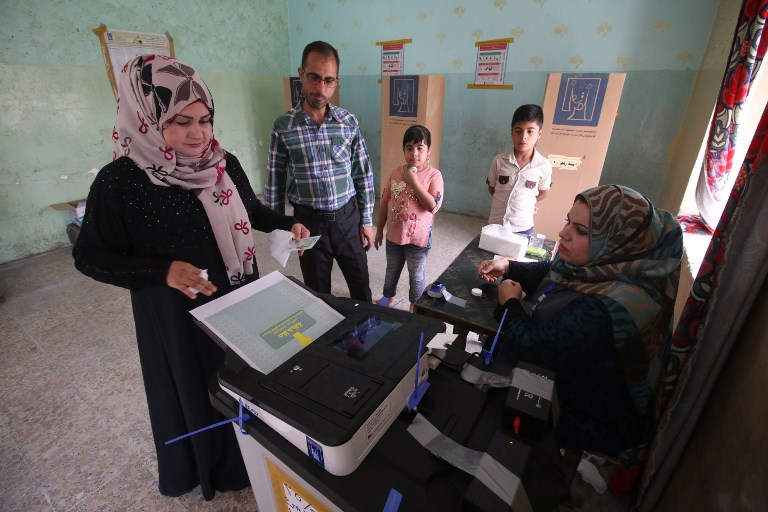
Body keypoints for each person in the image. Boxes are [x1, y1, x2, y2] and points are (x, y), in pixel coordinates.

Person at [73, 55, 309, 500]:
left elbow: (252, 209)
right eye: (181, 122)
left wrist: (284, 222)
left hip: (238, 296)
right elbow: (89, 256)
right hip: (177, 314)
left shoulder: (221, 162)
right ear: (145, 117)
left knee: (242, 379)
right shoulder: (121, 180)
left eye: (205, 119)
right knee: (198, 388)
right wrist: (161, 271)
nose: (198, 134)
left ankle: (252, 453)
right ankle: (216, 468)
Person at [477, 185, 682, 455]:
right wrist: (509, 265)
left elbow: (532, 349)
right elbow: (554, 271)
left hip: (585, 416)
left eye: (581, 231)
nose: (563, 233)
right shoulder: (603, 267)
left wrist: (510, 303)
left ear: (616, 241)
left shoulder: (607, 309)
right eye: (568, 222)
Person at [266, 40, 375, 302]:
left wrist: (368, 221)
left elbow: (363, 173)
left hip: (348, 220)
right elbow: (274, 184)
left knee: (362, 291)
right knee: (318, 297)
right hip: (308, 224)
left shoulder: (348, 123)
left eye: (328, 81)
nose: (320, 88)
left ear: (337, 80)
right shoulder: (284, 126)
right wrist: (278, 229)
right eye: (314, 78)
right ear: (301, 74)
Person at [374, 125, 444, 309]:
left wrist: (413, 181)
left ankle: (416, 307)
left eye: (420, 148)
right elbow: (384, 202)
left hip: (418, 240)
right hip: (394, 237)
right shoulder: (395, 173)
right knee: (391, 271)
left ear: (428, 150)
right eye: (409, 148)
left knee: (416, 274)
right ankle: (386, 299)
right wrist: (379, 230)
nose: (414, 153)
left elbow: (432, 206)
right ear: (403, 150)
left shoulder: (434, 176)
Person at [486, 104, 552, 236]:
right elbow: (492, 188)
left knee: (516, 257)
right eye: (518, 131)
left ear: (539, 134)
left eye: (530, 131)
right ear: (511, 133)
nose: (523, 137)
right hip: (496, 223)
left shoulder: (544, 165)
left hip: (523, 226)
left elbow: (544, 192)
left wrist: (527, 202)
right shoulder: (499, 160)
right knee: (492, 255)